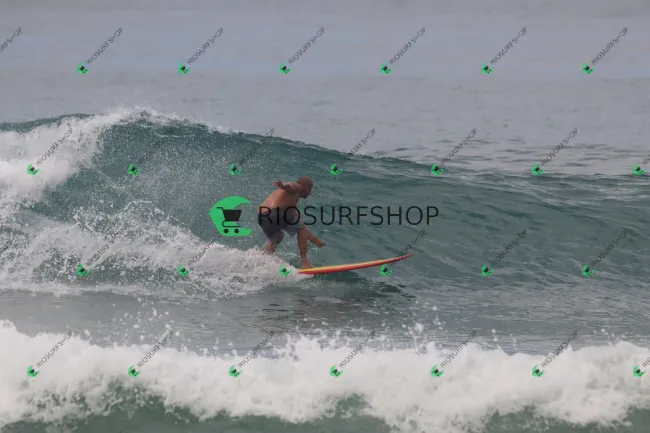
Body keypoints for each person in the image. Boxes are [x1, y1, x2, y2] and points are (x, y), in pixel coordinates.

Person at [258, 176, 326, 268]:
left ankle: (263, 259)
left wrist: (315, 241)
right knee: (300, 228)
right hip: (274, 213)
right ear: (305, 187)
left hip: (261, 217)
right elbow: (291, 185)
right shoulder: (298, 187)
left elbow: (302, 227)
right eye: (310, 189)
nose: (310, 193)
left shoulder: (288, 202)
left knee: (278, 236)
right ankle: (305, 262)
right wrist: (283, 185)